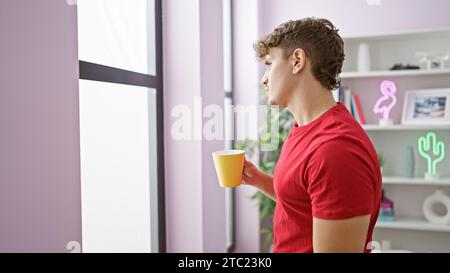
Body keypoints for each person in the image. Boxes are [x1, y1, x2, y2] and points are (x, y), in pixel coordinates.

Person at [242, 18, 382, 253]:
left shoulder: (336, 150)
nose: (264, 78)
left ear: (297, 61)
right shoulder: (304, 128)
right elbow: (304, 201)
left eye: (269, 63)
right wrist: (258, 179)